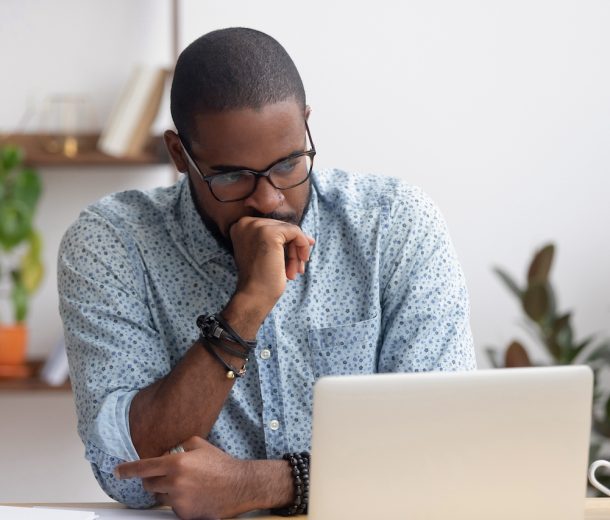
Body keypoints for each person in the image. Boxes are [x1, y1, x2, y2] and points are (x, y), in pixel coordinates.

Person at [58, 27, 476, 519]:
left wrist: (257, 485)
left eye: (288, 163)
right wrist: (247, 306)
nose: (269, 199)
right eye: (232, 175)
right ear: (178, 155)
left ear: (306, 126)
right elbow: (125, 472)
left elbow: (443, 446)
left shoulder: (394, 224)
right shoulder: (114, 241)